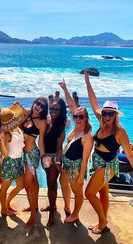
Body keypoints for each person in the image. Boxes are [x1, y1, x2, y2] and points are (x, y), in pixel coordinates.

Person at [83, 70, 133, 234]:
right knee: (103, 192)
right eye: (105, 113)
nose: (106, 116)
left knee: (89, 193)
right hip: (97, 161)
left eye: (110, 113)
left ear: (116, 115)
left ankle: (103, 221)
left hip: (108, 164)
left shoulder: (120, 132)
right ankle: (102, 222)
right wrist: (87, 79)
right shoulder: (102, 121)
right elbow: (93, 101)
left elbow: (129, 154)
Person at [59, 79, 93, 223]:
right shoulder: (75, 127)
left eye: (81, 117)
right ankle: (67, 206)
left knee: (77, 191)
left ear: (86, 118)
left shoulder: (87, 135)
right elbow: (72, 105)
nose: (77, 118)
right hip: (66, 163)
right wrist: (65, 88)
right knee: (63, 183)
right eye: (75, 116)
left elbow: (85, 158)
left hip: (76, 166)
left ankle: (75, 214)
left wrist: (81, 177)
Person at [40, 98, 67, 226]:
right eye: (51, 108)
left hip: (53, 157)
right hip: (44, 156)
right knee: (50, 182)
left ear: (61, 111)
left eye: (56, 109)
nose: (53, 111)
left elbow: (59, 147)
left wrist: (57, 162)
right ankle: (53, 206)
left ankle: (52, 214)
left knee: (51, 184)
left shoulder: (61, 127)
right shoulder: (47, 121)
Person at [22, 97, 48, 227]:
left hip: (32, 154)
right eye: (37, 103)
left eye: (42, 106)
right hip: (22, 154)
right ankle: (34, 206)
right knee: (33, 182)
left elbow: (41, 140)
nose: (38, 106)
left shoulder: (42, 122)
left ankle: (33, 214)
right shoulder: (26, 115)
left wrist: (43, 156)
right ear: (34, 103)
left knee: (28, 184)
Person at [0, 102, 27, 216]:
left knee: (21, 185)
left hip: (18, 161)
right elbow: (5, 154)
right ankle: (3, 209)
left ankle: (7, 203)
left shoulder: (18, 127)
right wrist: (1, 141)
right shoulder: (6, 134)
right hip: (10, 162)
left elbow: (25, 114)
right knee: (4, 188)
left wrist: (19, 105)